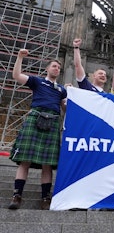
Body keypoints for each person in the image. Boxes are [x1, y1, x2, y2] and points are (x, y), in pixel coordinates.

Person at [8, 49, 67, 210]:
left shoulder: (61, 89)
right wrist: (19, 57)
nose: (56, 69)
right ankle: (17, 195)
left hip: (53, 120)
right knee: (25, 161)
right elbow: (17, 76)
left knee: (47, 164)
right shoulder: (37, 81)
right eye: (54, 66)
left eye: (59, 68)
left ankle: (45, 198)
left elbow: (66, 108)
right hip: (36, 117)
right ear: (47, 69)